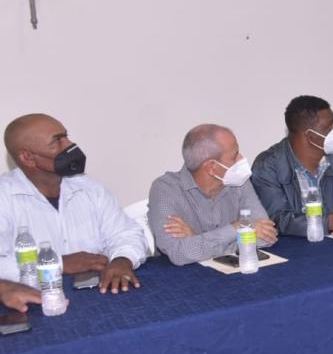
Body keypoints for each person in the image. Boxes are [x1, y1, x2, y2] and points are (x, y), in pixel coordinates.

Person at [0, 114, 147, 294]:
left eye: (66, 136)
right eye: (57, 141)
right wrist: (60, 263)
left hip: (98, 293)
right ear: (28, 158)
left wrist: (122, 260)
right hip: (37, 302)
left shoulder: (89, 188)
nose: (69, 145)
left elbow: (126, 233)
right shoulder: (4, 197)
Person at [148, 124, 277, 266]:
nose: (241, 159)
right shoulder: (165, 189)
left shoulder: (239, 181)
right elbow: (178, 253)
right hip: (185, 281)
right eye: (234, 156)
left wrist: (196, 238)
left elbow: (267, 237)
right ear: (211, 167)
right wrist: (237, 229)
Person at [252, 96, 333, 236]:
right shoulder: (267, 166)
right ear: (310, 136)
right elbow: (277, 220)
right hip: (294, 251)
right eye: (329, 128)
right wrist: (331, 222)